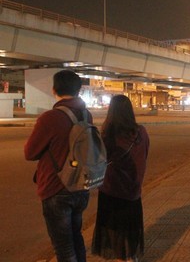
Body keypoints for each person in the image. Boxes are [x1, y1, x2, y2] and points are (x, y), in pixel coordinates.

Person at [24, 70, 91, 262]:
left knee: (64, 247)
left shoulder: (50, 118)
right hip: (81, 186)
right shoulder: (87, 116)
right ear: (79, 90)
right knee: (76, 237)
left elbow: (30, 153)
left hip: (56, 188)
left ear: (54, 90)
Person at [91, 95, 150, 262]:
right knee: (131, 225)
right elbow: (144, 155)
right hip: (133, 189)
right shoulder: (141, 132)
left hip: (112, 189)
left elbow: (98, 161)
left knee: (115, 229)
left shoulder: (109, 135)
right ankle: (132, 256)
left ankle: (121, 258)